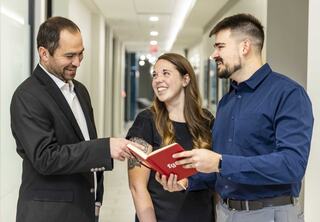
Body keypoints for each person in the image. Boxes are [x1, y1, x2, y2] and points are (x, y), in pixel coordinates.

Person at [156, 14, 314, 222]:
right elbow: (222, 168)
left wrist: (220, 163)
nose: (214, 54)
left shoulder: (288, 94)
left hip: (270, 213)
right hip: (226, 213)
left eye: (220, 46)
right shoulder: (226, 102)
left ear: (244, 47)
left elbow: (291, 165)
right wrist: (186, 181)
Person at [10, 16, 141, 222]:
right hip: (49, 215)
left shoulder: (80, 91)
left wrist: (97, 199)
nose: (77, 62)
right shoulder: (27, 96)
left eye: (81, 54)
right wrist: (105, 148)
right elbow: (46, 158)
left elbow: (84, 143)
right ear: (44, 53)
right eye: (70, 55)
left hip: (84, 208)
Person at [126, 53, 215, 222]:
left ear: (185, 79)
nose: (157, 80)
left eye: (166, 73)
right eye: (155, 74)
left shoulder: (206, 120)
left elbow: (216, 177)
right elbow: (137, 187)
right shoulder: (146, 121)